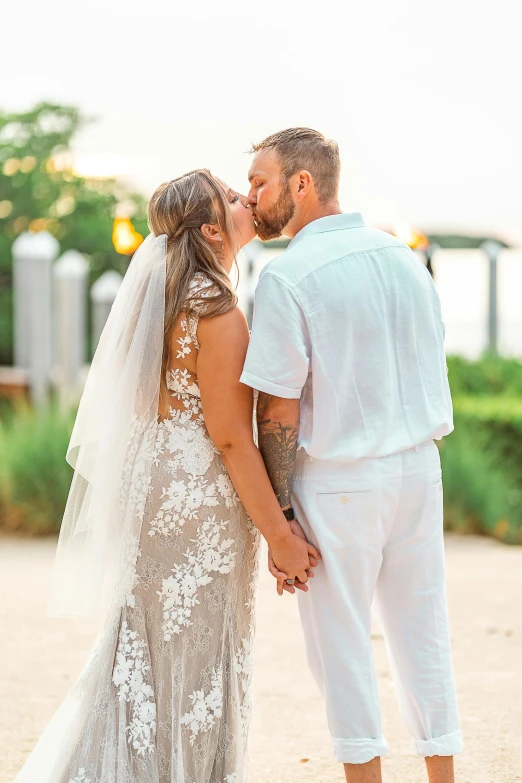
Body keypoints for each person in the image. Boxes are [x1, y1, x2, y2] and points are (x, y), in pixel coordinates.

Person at [13, 170, 320, 783]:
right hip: (199, 504)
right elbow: (232, 439)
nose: (247, 200)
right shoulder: (219, 312)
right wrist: (281, 537)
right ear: (212, 228)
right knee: (196, 658)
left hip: (152, 489)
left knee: (143, 651)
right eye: (233, 198)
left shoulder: (159, 304)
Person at [240, 128, 462, 783]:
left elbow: (276, 407)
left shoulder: (286, 276)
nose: (251, 197)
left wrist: (280, 516)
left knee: (341, 650)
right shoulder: (403, 259)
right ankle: (443, 775)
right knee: (424, 635)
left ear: (301, 184)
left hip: (339, 481)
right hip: (420, 471)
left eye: (261, 182)